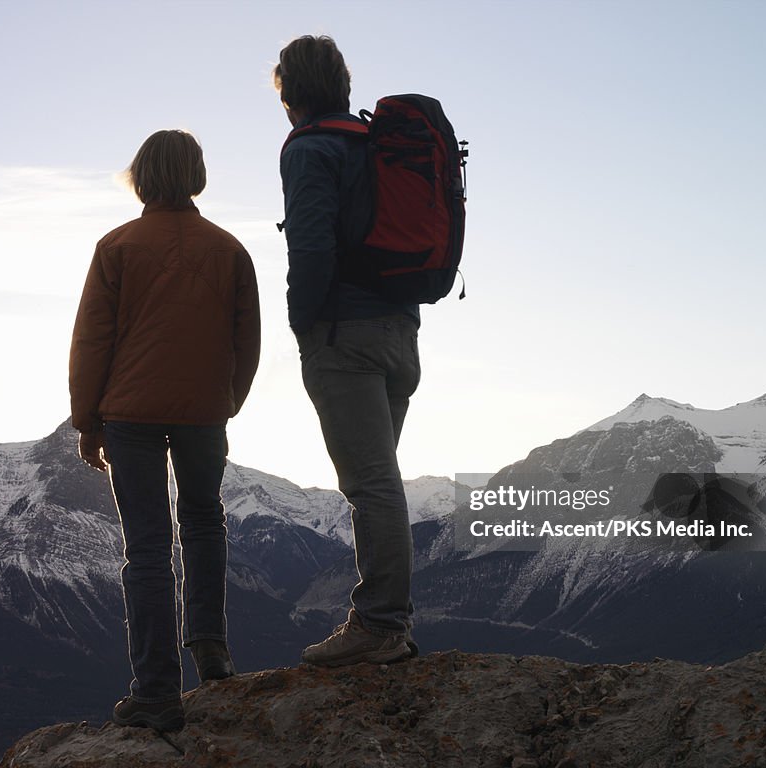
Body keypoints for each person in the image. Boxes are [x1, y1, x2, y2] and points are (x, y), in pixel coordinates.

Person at [69, 129, 260, 730]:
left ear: (142, 177)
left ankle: (155, 692)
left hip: (130, 414)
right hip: (204, 411)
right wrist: (228, 400)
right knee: (204, 520)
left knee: (147, 548)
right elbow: (247, 338)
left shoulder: (116, 247)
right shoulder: (230, 250)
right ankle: (211, 648)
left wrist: (87, 420)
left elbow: (92, 340)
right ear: (197, 176)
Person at [274, 35, 420, 667]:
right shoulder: (374, 143)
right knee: (379, 479)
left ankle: (382, 626)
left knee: (371, 484)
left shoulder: (311, 148)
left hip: (345, 337)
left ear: (290, 91)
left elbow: (310, 245)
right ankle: (386, 622)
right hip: (400, 333)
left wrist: (302, 321)